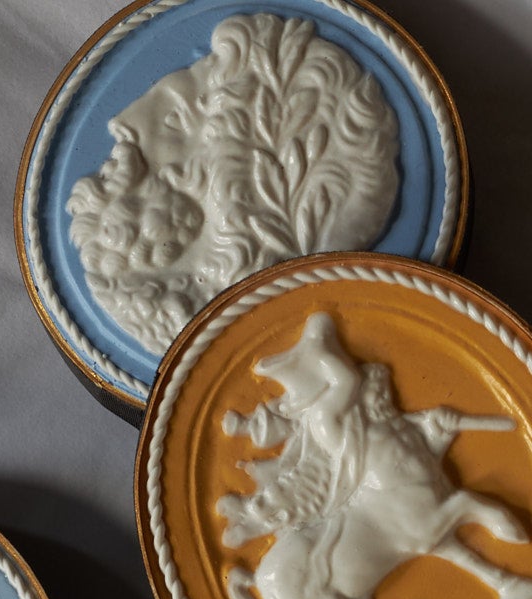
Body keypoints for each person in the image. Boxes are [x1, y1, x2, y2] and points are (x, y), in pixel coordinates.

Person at [66, 13, 400, 355]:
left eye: (177, 118)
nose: (120, 129)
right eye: (178, 118)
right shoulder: (247, 237)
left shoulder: (242, 212)